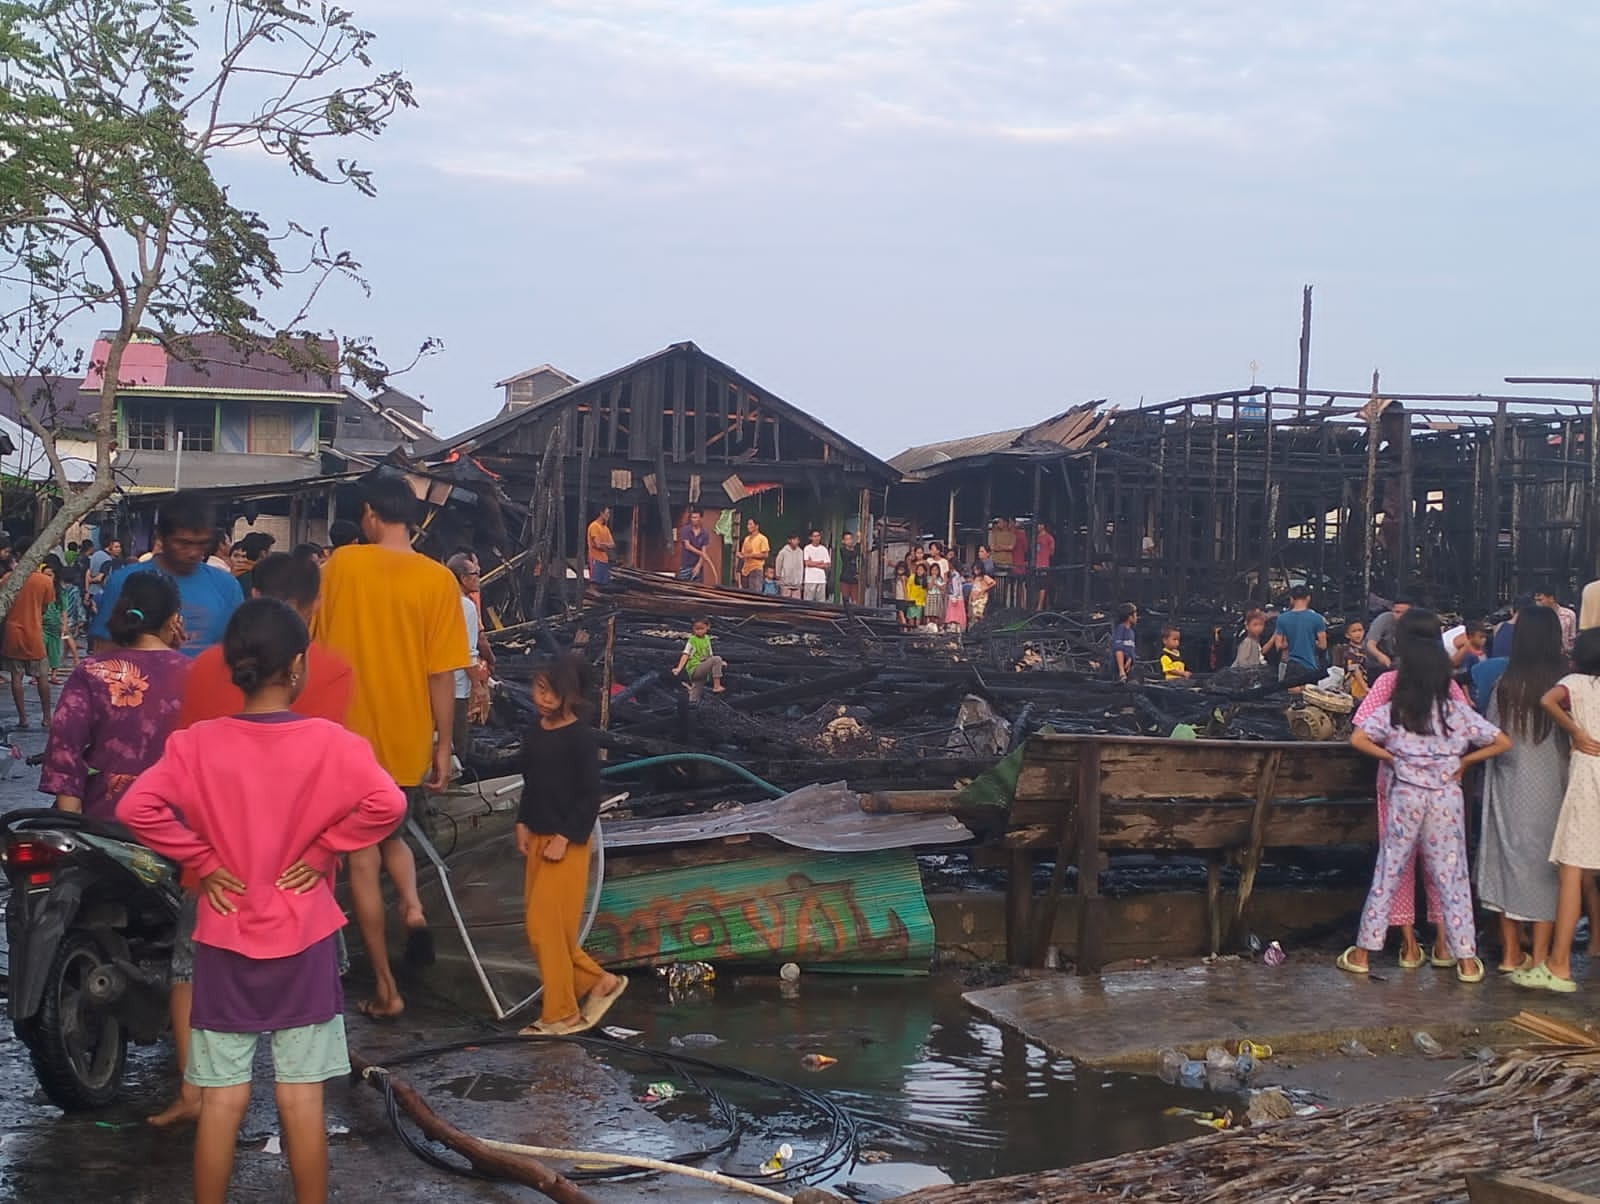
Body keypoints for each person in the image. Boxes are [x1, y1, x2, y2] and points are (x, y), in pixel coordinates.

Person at [117, 597, 406, 1204]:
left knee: (222, 1100)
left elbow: (134, 808)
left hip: (223, 939)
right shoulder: (335, 744)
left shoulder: (197, 745)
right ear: (297, 665)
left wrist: (202, 859)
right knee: (301, 1098)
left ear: (233, 666)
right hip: (305, 940)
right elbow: (389, 804)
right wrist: (329, 847)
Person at [311, 475, 468, 1021]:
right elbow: (442, 675)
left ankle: (385, 987)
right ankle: (414, 905)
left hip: (344, 738)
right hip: (406, 737)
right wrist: (443, 744)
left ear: (371, 514)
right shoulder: (440, 580)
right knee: (393, 831)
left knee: (359, 860)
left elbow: (311, 651)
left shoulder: (339, 569)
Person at [1338, 613, 1510, 981]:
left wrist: (1393, 757)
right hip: (1446, 797)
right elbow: (1501, 740)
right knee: (1452, 876)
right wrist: (1464, 762)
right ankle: (1465, 960)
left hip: (1404, 796)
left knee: (1389, 871)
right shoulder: (1454, 708)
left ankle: (1364, 954)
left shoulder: (1394, 705)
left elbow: (1357, 737)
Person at [1352, 610, 1473, 967]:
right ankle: (1444, 944)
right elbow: (1465, 733)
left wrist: (1392, 757)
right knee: (1444, 864)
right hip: (1442, 787)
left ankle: (1408, 946)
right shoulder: (1448, 686)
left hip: (1398, 786)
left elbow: (1359, 729)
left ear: (1399, 643)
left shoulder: (1389, 682)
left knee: (1397, 864)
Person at [515, 654, 627, 1035]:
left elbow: (589, 797)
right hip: (539, 838)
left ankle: (562, 1012)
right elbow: (530, 781)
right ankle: (598, 982)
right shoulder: (535, 731)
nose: (542, 699)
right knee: (543, 931)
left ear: (568, 696)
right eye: (538, 690)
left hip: (568, 845)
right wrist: (522, 822)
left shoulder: (580, 739)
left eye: (550, 693)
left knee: (545, 928)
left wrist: (565, 838)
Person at [39, 572, 188, 821]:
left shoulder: (92, 671)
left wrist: (72, 822)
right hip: (177, 826)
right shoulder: (196, 674)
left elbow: (64, 750)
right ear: (174, 619)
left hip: (103, 823)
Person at [1474, 607, 1568, 980]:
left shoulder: (1506, 683)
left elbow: (1492, 733)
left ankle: (1511, 953)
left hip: (1510, 779)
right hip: (1555, 785)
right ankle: (1541, 955)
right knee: (1547, 867)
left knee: (1505, 858)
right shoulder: (1565, 683)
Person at [1530, 629, 1600, 993]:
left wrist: (1576, 732)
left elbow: (1546, 700)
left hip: (1588, 773)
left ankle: (1558, 965)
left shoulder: (1574, 682)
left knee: (1573, 869)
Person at [92, 494, 244, 658]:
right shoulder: (125, 581)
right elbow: (104, 651)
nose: (193, 553)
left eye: (201, 543)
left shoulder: (226, 585)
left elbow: (237, 653)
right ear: (160, 536)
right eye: (183, 543)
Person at [3, 558, 57, 727]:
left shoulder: (7, 579)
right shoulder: (44, 580)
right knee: (42, 676)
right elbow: (45, 607)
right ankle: (47, 716)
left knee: (16, 677)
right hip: (34, 633)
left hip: (12, 634)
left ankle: (22, 718)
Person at [447, 553, 483, 764]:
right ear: (462, 578)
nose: (478, 577)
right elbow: (467, 653)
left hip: (437, 683)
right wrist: (477, 687)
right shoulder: (466, 606)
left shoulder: (442, 601)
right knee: (458, 742)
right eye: (474, 574)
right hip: (458, 686)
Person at [1271, 585, 1327, 686]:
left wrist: (1291, 642)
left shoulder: (1282, 619)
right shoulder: (1317, 618)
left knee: (1289, 695)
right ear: (1308, 598)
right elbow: (1323, 645)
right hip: (1310, 665)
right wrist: (1310, 642)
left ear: (1291, 599)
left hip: (1291, 665)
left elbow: (1278, 645)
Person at [671, 617, 726, 701]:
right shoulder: (692, 640)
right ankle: (716, 686)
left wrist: (720, 663)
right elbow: (686, 654)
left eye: (702, 629)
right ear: (693, 629)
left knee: (696, 692)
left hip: (703, 669)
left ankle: (692, 706)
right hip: (695, 668)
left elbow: (710, 655)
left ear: (708, 627)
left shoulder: (707, 639)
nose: (699, 631)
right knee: (717, 659)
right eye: (697, 629)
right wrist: (679, 668)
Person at [1363, 598, 1411, 674]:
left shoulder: (1414, 624)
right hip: (1373, 663)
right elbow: (1370, 644)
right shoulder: (1383, 619)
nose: (1401, 616)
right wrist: (1380, 656)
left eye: (1405, 613)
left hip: (1396, 663)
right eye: (1397, 612)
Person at [1331, 620, 1368, 696]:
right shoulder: (1349, 650)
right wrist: (1365, 688)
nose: (1358, 633)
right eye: (1354, 631)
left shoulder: (1364, 649)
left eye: (1360, 630)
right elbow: (1354, 670)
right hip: (1352, 687)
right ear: (1347, 635)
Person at [677, 508, 713, 584]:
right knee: (681, 586)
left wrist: (698, 566)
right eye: (692, 517)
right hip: (685, 565)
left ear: (701, 518)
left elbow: (704, 550)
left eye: (696, 517)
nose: (693, 520)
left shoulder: (705, 533)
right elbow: (687, 546)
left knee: (697, 588)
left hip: (697, 565)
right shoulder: (686, 530)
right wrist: (701, 553)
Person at [87, 536, 120, 616]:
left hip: (90, 591)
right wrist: (91, 580)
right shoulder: (107, 560)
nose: (119, 549)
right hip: (99, 593)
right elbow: (100, 578)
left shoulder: (95, 555)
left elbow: (88, 572)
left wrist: (88, 583)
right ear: (109, 546)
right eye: (116, 547)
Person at [738, 519, 769, 593]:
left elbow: (765, 554)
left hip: (756, 569)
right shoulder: (746, 539)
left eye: (751, 524)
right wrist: (740, 555)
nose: (748, 526)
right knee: (745, 594)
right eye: (748, 524)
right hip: (745, 570)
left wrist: (750, 555)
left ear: (756, 526)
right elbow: (744, 554)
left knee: (755, 593)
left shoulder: (762, 538)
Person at [586, 506, 615, 585]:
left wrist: (603, 545)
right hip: (595, 559)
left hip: (605, 560)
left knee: (604, 584)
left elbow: (613, 544)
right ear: (601, 513)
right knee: (594, 583)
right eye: (607, 513)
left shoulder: (605, 528)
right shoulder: (594, 526)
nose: (609, 515)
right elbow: (597, 545)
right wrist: (606, 545)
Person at [801, 530, 831, 603]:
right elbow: (807, 563)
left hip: (821, 580)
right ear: (811, 538)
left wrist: (813, 563)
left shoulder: (823, 549)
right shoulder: (807, 548)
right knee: (808, 602)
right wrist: (820, 562)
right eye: (815, 536)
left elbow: (827, 565)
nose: (817, 538)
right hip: (810, 580)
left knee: (821, 602)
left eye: (818, 536)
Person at [1112, 603, 1138, 681]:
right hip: (1118, 669)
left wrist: (1130, 659)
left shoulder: (1131, 632)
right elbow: (1118, 650)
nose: (1137, 617)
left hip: (1127, 667)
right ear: (1130, 617)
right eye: (1135, 614)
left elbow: (1130, 649)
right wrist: (1121, 671)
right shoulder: (1121, 629)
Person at [1033, 522, 1056, 611]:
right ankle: (1037, 605)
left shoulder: (1049, 538)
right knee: (1037, 585)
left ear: (1043, 526)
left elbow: (1052, 552)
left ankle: (1040, 606)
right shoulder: (1036, 537)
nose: (1037, 527)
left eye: (1038, 525)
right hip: (1036, 565)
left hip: (1044, 565)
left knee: (1043, 585)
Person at [774, 534, 804, 599]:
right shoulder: (783, 552)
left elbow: (801, 566)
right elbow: (778, 563)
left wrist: (801, 580)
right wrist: (778, 575)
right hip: (785, 583)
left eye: (797, 540)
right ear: (789, 540)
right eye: (794, 539)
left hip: (797, 584)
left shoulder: (801, 552)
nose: (795, 541)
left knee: (796, 603)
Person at [837, 531, 861, 605]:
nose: (849, 541)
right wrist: (859, 540)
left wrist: (859, 539)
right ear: (843, 541)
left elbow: (857, 551)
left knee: (855, 601)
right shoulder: (843, 550)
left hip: (854, 579)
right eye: (847, 539)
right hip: (845, 578)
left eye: (850, 539)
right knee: (845, 601)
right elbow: (852, 554)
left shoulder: (854, 550)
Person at [944, 562, 967, 632]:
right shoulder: (953, 574)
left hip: (955, 598)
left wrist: (955, 596)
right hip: (954, 596)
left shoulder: (955, 574)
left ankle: (956, 629)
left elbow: (956, 587)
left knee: (955, 616)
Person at [892, 562, 911, 629]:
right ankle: (901, 628)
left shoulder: (903, 577)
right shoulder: (897, 577)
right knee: (900, 614)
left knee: (901, 614)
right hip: (898, 597)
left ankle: (905, 628)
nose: (900, 571)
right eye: (899, 569)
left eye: (902, 569)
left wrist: (906, 597)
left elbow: (904, 588)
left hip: (902, 597)